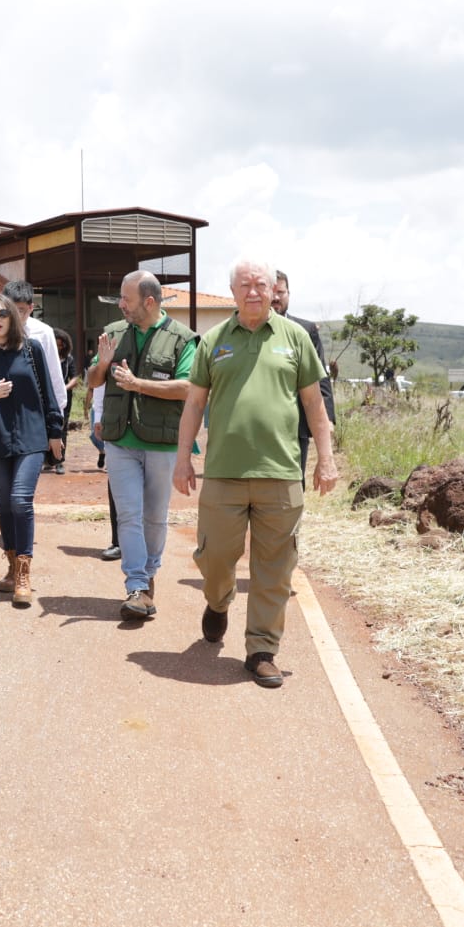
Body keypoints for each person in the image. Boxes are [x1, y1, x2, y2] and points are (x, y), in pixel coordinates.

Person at [174, 256, 337, 688]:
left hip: (281, 474)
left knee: (275, 568)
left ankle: (262, 650)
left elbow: (314, 404)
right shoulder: (213, 341)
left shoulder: (295, 338)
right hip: (224, 474)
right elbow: (194, 403)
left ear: (273, 290)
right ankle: (219, 601)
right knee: (214, 559)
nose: (253, 292)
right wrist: (182, 458)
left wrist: (326, 457)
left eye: (261, 284)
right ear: (232, 292)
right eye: (245, 285)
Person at [87, 271, 197, 620]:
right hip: (120, 441)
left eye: (127, 299)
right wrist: (102, 365)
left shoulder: (182, 338)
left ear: (149, 302)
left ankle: (149, 574)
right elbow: (92, 379)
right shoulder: (114, 333)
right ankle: (136, 585)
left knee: (154, 517)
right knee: (129, 515)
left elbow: (188, 387)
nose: (121, 305)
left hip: (162, 443)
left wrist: (139, 385)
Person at [0, 293, 65, 608]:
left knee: (21, 500)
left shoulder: (32, 350)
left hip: (32, 439)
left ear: (12, 317)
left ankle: (23, 573)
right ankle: (10, 566)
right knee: (5, 504)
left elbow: (49, 394)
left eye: (1, 314)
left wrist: (55, 432)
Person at [271, 271, 336, 491]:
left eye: (281, 292)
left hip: (295, 426)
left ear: (289, 294)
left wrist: (329, 421)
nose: (276, 298)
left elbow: (321, 379)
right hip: (259, 429)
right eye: (272, 292)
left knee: (293, 488)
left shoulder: (305, 331)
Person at [0, 280, 67, 473]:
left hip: (33, 414)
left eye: (21, 310)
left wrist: (56, 427)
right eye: (11, 309)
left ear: (31, 308)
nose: (15, 315)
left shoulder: (43, 333)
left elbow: (54, 377)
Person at [90, 383, 121, 560]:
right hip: (116, 424)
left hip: (151, 426)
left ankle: (145, 544)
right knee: (116, 484)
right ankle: (118, 542)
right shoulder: (109, 354)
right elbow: (100, 382)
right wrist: (98, 417)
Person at [42, 329, 80, 474]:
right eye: (55, 345)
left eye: (60, 345)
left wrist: (64, 388)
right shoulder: (45, 357)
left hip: (63, 398)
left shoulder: (68, 359)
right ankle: (48, 460)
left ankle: (59, 461)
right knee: (46, 428)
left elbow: (75, 378)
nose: (58, 348)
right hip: (46, 397)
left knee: (61, 428)